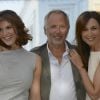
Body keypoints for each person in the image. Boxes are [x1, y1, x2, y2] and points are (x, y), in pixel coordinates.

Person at [31, 9, 86, 100]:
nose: (58, 31)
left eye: (62, 26)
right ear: (45, 30)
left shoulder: (79, 52)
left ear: (68, 29)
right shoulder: (34, 55)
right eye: (53, 27)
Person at [0, 10, 41, 100]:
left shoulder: (34, 59)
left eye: (8, 27)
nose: (5, 33)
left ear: (17, 27)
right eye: (0, 30)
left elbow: (35, 96)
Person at [69, 11, 100, 100]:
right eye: (85, 29)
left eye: (94, 28)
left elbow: (95, 95)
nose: (89, 33)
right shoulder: (87, 52)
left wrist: (80, 67)